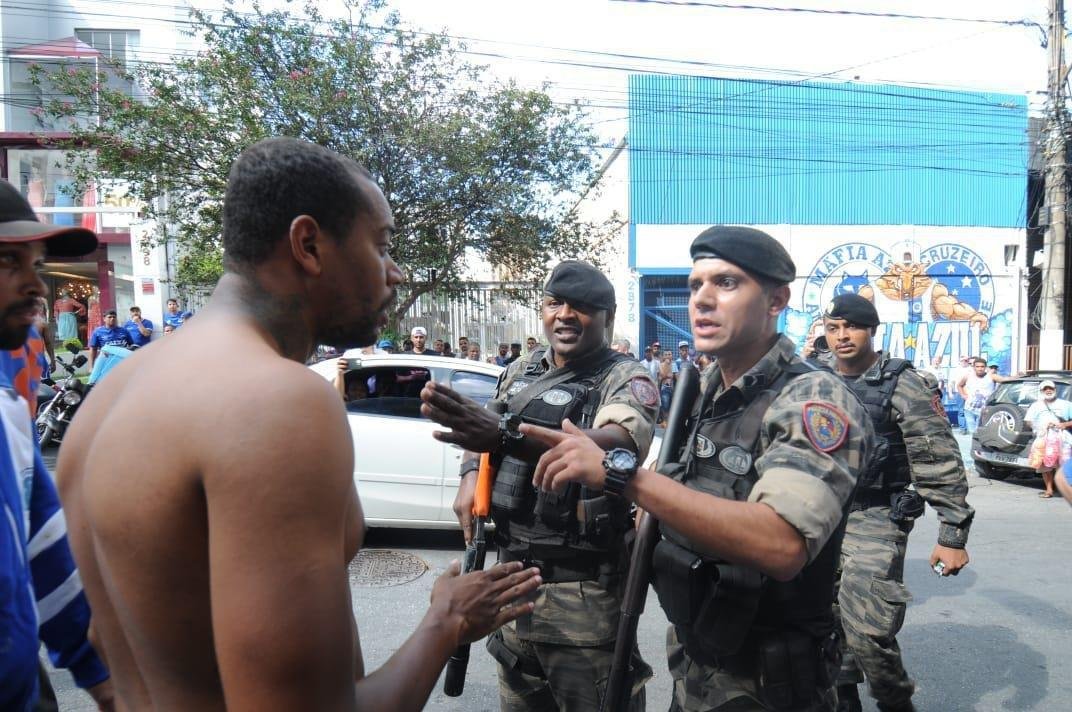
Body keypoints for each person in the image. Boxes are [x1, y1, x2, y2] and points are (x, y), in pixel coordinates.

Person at [54, 137, 540, 710]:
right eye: (382, 246)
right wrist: (446, 620)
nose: (397, 273)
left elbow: (107, 648)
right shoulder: (275, 401)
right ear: (308, 245)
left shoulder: (108, 399)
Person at [518, 226, 874, 712]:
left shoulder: (814, 399)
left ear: (776, 300)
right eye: (694, 286)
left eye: (726, 283)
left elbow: (782, 544)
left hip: (769, 681)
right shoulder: (710, 386)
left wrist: (624, 476)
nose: (702, 300)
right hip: (700, 657)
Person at [420, 260, 660, 712]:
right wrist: (470, 475)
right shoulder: (521, 370)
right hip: (512, 589)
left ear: (608, 316)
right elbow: (484, 428)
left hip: (584, 603)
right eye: (555, 303)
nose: (565, 315)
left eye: (581, 306)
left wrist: (506, 436)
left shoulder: (626, 377)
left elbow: (618, 443)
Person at [822, 294, 974, 712]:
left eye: (851, 327)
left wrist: (952, 535)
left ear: (872, 330)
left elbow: (937, 457)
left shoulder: (902, 383)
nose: (842, 336)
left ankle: (895, 702)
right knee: (820, 624)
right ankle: (842, 701)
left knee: (869, 629)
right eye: (833, 328)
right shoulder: (814, 379)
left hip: (873, 515)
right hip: (817, 514)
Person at [0, 179, 114, 710]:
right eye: (8, 261)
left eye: (36, 264)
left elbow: (40, 532)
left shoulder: (8, 398)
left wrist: (101, 679)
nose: (36, 286)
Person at [1023, 380, 1072, 499]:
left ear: (1055, 390)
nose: (1048, 391)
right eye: (1045, 389)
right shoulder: (1036, 405)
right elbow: (1028, 421)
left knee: (1064, 463)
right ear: (1041, 391)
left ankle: (1066, 490)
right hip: (1043, 438)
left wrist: (1064, 424)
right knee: (1044, 465)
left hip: (1063, 439)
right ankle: (1049, 490)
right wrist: (1040, 426)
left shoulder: (1066, 404)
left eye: (1050, 388)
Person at [957, 357, 1009, 434]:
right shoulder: (968, 376)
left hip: (984, 410)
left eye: (982, 367)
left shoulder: (991, 376)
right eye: (977, 366)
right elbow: (959, 385)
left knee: (979, 432)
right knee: (972, 432)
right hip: (969, 409)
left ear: (985, 367)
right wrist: (963, 395)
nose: (980, 369)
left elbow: (1005, 380)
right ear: (974, 367)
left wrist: (1018, 376)